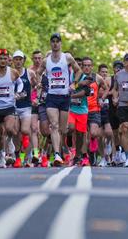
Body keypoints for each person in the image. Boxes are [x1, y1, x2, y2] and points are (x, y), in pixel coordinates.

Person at [31, 33, 83, 166]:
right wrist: (40, 83)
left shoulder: (67, 57)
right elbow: (37, 72)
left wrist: (74, 84)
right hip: (52, 97)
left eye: (57, 41)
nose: (55, 43)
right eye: (53, 41)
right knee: (54, 125)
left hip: (65, 97)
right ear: (50, 43)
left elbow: (79, 71)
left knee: (63, 128)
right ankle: (57, 155)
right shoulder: (45, 61)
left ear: (60, 43)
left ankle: (63, 149)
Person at [0, 48, 22, 168]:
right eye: (0, 58)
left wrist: (18, 92)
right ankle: (1, 156)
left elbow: (20, 83)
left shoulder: (13, 72)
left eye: (5, 59)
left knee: (10, 129)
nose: (3, 61)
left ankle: (10, 140)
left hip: (9, 105)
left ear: (8, 60)